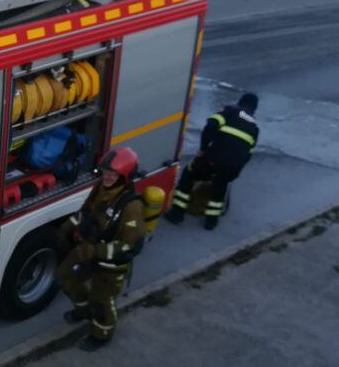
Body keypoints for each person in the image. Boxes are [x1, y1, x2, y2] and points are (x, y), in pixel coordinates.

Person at [55, 147, 146, 351]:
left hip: (110, 263)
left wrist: (96, 252)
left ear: (125, 177)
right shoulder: (100, 189)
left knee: (102, 300)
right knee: (64, 277)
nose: (107, 177)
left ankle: (102, 334)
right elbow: (85, 214)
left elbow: (130, 245)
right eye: (105, 172)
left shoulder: (131, 206)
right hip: (87, 249)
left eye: (113, 174)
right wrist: (67, 227)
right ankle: (84, 311)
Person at [165, 93, 260, 230]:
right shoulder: (255, 129)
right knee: (220, 185)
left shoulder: (229, 111)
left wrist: (203, 149)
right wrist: (234, 169)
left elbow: (211, 125)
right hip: (233, 169)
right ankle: (211, 221)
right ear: (254, 109)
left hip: (212, 161)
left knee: (189, 174)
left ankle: (177, 213)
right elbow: (248, 155)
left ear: (240, 102)